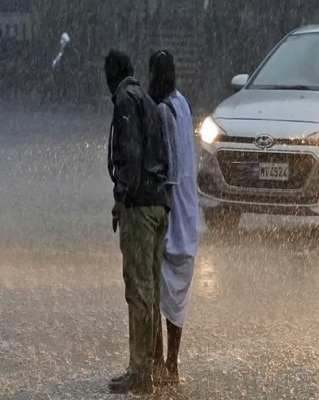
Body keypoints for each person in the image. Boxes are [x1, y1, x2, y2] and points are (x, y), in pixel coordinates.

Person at [104, 50, 173, 394]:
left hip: (141, 209)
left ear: (110, 76)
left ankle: (140, 371)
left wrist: (121, 199)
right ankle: (152, 368)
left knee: (138, 291)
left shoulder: (125, 102)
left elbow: (129, 155)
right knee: (152, 289)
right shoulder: (147, 100)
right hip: (160, 206)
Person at [148, 49, 200, 384]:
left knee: (157, 286)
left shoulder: (164, 109)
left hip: (173, 206)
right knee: (176, 291)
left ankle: (162, 362)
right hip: (188, 204)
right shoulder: (181, 102)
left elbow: (169, 166)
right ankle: (171, 362)